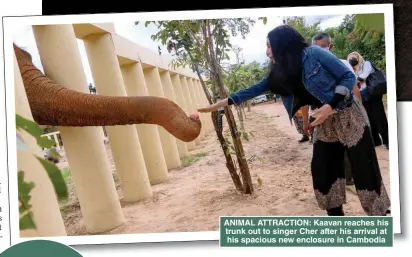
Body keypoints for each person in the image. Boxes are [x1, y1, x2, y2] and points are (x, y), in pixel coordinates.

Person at [198, 25, 390, 216]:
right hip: (323, 123)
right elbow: (256, 89)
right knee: (323, 172)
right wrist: (223, 103)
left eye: (269, 46)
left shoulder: (314, 54)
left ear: (283, 44)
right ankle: (336, 219)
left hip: (348, 114)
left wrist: (331, 105)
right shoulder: (282, 71)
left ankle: (379, 218)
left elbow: (347, 76)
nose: (267, 52)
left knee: (365, 171)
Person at [311, 32, 358, 190]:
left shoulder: (342, 63)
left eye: (324, 48)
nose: (321, 52)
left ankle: (349, 178)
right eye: (316, 49)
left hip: (344, 111)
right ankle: (337, 179)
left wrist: (362, 110)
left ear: (330, 47)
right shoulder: (312, 69)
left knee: (348, 144)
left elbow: (354, 87)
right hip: (324, 116)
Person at [347, 51, 389, 150]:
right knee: (368, 118)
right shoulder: (350, 70)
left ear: (358, 57)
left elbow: (365, 74)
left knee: (379, 117)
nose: (352, 59)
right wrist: (358, 80)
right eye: (350, 58)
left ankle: (387, 140)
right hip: (361, 95)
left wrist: (357, 80)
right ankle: (376, 141)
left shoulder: (366, 64)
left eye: (354, 57)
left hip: (372, 93)